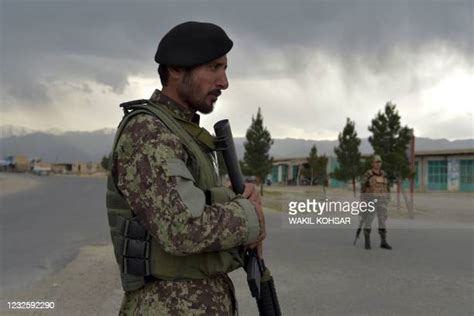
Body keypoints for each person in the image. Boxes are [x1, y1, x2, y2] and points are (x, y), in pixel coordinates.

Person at [105, 21, 266, 315]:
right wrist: (249, 215)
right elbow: (182, 228)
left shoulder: (182, 133)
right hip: (168, 305)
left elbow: (191, 200)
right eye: (214, 67)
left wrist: (233, 198)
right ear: (176, 69)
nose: (224, 82)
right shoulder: (148, 133)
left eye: (225, 69)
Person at [360, 154, 392, 250]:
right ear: (372, 163)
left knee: (382, 221)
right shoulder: (368, 174)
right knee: (369, 220)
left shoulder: (384, 174)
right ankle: (367, 241)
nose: (378, 164)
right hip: (371, 200)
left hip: (382, 201)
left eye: (380, 162)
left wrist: (388, 198)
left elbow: (387, 187)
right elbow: (363, 187)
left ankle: (383, 242)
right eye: (376, 162)